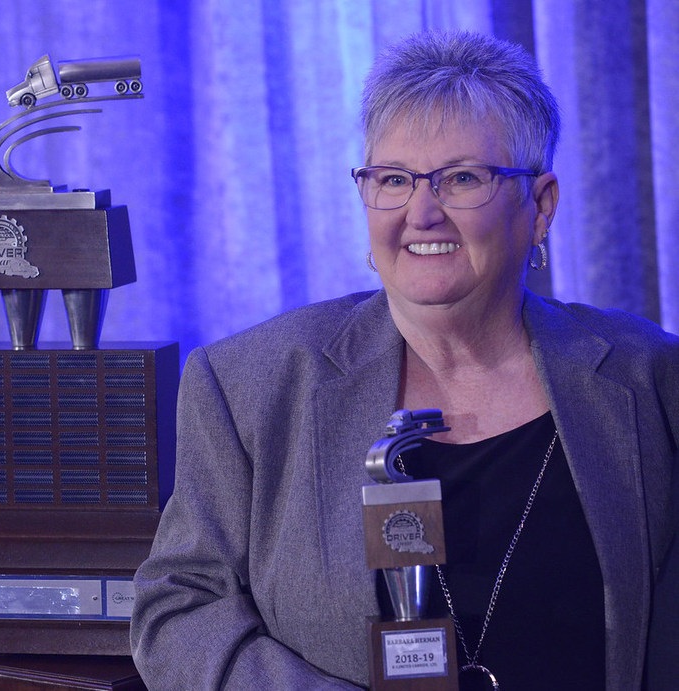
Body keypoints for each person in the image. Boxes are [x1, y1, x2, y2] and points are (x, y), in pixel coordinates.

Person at [129, 30, 679, 690]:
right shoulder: (248, 386)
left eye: (462, 178)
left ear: (540, 206)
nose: (421, 213)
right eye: (393, 179)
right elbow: (180, 610)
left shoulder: (649, 379)